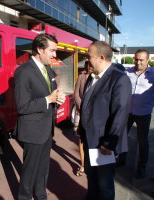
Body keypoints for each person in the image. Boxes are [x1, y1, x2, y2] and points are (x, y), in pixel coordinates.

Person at [13, 33, 65, 200]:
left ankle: (41, 196)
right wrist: (48, 99)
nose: (55, 55)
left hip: (46, 130)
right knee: (29, 172)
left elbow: (52, 96)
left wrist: (57, 99)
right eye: (52, 51)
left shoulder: (48, 70)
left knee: (43, 169)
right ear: (39, 49)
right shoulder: (24, 71)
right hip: (32, 131)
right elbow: (22, 106)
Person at [78, 41, 131, 200]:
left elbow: (120, 113)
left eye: (89, 56)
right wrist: (81, 128)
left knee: (104, 185)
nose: (87, 60)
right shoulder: (92, 76)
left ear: (101, 57)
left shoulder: (119, 79)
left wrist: (108, 143)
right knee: (91, 177)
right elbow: (87, 104)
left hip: (104, 144)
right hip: (89, 139)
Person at [118, 49, 154, 178]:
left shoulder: (153, 74)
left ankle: (141, 167)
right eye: (136, 59)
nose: (138, 62)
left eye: (141, 60)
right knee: (122, 137)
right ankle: (121, 159)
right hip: (127, 112)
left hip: (144, 114)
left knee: (142, 141)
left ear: (148, 60)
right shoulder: (127, 73)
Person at [73, 60, 93, 176]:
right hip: (81, 112)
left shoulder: (99, 79)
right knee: (81, 140)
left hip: (94, 114)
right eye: (88, 65)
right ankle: (83, 165)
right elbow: (76, 94)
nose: (90, 67)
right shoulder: (81, 77)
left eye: (91, 64)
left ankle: (92, 164)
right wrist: (83, 108)